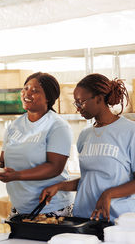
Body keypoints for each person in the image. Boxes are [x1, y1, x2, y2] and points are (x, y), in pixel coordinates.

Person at [40, 73, 135, 221]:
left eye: (81, 102)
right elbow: (88, 180)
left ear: (98, 98)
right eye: (76, 103)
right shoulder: (85, 135)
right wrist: (59, 186)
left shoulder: (130, 131)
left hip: (118, 220)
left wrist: (108, 194)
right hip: (84, 218)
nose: (78, 108)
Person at [0, 72, 74, 216]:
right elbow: (2, 162)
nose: (27, 93)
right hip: (18, 208)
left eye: (35, 91)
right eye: (25, 88)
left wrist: (17, 175)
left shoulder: (57, 126)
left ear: (48, 98)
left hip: (51, 208)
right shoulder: (14, 126)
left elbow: (55, 167)